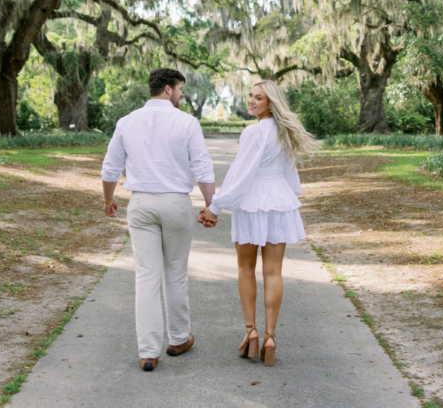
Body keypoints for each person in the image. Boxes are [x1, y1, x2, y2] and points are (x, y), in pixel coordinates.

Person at [101, 68, 216, 372]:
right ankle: (178, 338)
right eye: (179, 90)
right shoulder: (187, 122)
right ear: (167, 89)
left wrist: (108, 199)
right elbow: (203, 169)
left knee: (146, 276)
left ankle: (148, 352)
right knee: (175, 273)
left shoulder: (126, 122)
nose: (181, 95)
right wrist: (210, 205)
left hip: (140, 203)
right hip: (176, 203)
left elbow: (110, 169)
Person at [198, 80, 316, 367]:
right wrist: (288, 196)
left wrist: (214, 207)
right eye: (250, 95)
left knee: (246, 268)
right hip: (279, 201)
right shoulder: (284, 132)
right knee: (274, 272)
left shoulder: (253, 132)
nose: (251, 101)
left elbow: (241, 174)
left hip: (253, 203)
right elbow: (291, 176)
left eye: (258, 98)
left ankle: (251, 332)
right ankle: (270, 337)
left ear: (270, 103)